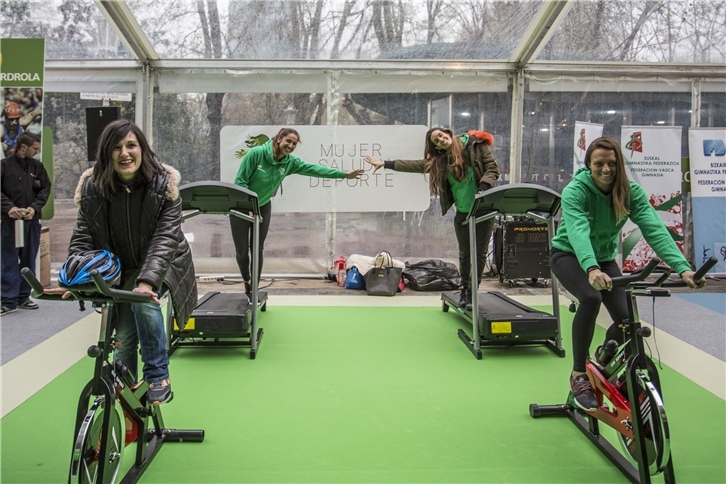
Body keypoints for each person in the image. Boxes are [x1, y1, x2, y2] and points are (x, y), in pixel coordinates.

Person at [549, 136, 703, 412]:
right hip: (570, 255)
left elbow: (654, 228)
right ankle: (578, 374)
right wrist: (591, 267)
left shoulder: (630, 192)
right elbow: (578, 231)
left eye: (612, 163)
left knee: (626, 321)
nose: (606, 169)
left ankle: (602, 357)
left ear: (619, 164)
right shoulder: (576, 191)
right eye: (599, 163)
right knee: (591, 298)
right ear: (589, 165)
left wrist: (683, 268)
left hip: (605, 259)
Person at [64, 119, 197, 405]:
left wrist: (146, 282)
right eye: (117, 147)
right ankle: (125, 398)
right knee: (123, 334)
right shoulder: (92, 188)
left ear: (142, 149)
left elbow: (165, 239)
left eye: (131, 145)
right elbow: (82, 239)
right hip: (121, 269)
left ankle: (158, 375)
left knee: (143, 304)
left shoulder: (165, 185)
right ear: (107, 153)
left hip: (163, 263)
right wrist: (75, 277)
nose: (125, 153)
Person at [365, 127, 501, 308]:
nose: (441, 139)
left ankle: (473, 292)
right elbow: (416, 165)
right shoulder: (440, 162)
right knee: (465, 253)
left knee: (480, 253)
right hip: (463, 212)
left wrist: (483, 188)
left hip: (483, 208)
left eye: (441, 135)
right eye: (437, 141)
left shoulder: (475, 145)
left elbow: (493, 168)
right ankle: (465, 290)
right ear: (437, 148)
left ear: (448, 133)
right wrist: (385, 164)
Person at [231, 127, 363, 298]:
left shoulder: (289, 162)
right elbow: (240, 181)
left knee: (257, 248)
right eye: (288, 141)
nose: (291, 146)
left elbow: (315, 169)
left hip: (262, 205)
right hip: (241, 204)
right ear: (278, 139)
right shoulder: (256, 154)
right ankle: (246, 281)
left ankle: (253, 290)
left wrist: (344, 175)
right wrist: (248, 207)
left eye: (294, 143)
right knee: (242, 250)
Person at [1, 132, 51, 315]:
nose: (36, 152)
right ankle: (7, 300)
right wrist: (9, 208)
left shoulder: (37, 166)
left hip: (31, 221)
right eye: (34, 149)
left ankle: (24, 297)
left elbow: (46, 188)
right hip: (9, 222)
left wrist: (34, 208)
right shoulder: (4, 166)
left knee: (29, 259)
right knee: (8, 260)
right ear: (23, 147)